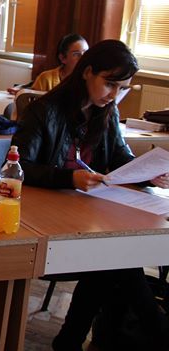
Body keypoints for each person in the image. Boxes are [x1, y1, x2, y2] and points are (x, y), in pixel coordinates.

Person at [11, 40, 169, 351]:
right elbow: (21, 167)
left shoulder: (107, 112)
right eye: (110, 84)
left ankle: (71, 340)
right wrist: (70, 178)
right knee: (116, 256)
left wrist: (147, 174)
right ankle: (156, 332)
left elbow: (120, 159)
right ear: (87, 72)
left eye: (122, 88)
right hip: (43, 217)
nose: (114, 94)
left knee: (114, 257)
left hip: (88, 214)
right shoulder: (44, 110)